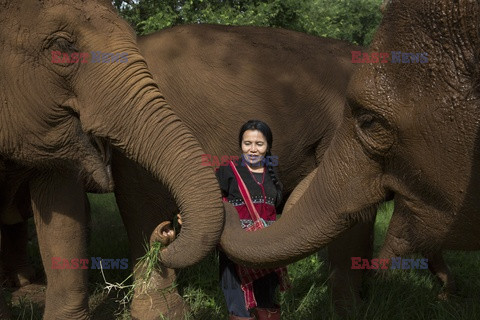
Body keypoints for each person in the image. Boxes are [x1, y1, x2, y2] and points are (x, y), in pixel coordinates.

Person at [216, 119, 288, 320]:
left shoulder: (273, 172)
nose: (253, 149)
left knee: (266, 306)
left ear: (268, 146)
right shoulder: (227, 170)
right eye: (247, 143)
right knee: (238, 308)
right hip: (235, 250)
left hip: (266, 249)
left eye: (259, 144)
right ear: (240, 144)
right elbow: (211, 204)